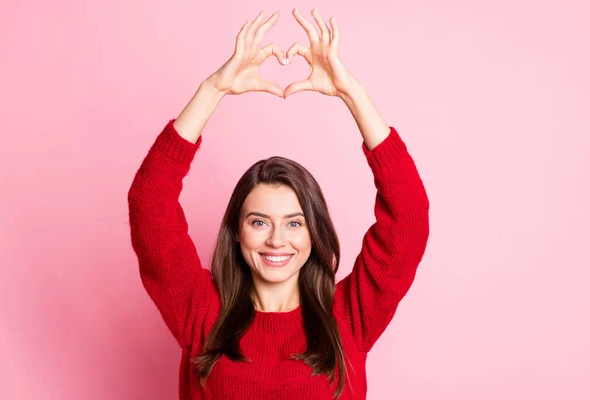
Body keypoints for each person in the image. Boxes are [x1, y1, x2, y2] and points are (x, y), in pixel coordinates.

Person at [128, 8, 429, 400]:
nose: (276, 240)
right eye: (258, 222)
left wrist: (352, 93)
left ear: (313, 232)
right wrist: (213, 89)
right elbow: (149, 202)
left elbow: (408, 215)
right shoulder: (202, 314)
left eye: (294, 223)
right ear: (236, 232)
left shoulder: (349, 316)